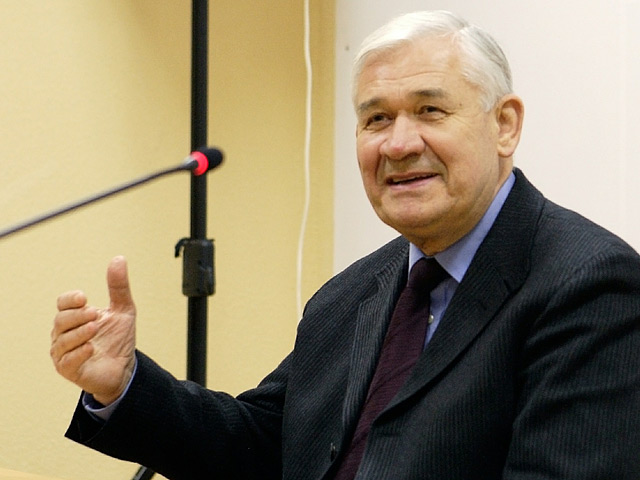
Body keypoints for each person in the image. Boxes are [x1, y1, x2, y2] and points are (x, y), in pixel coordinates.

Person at [50, 10, 640, 480]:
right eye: (376, 119)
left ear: (504, 124)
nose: (399, 144)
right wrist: (123, 385)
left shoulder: (591, 286)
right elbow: (266, 447)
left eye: (430, 110)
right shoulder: (350, 293)